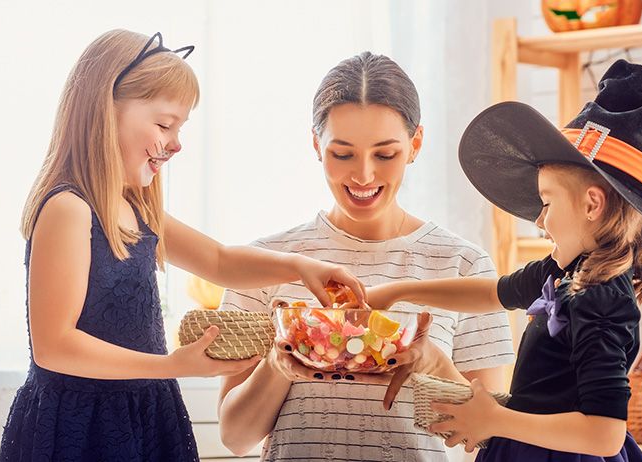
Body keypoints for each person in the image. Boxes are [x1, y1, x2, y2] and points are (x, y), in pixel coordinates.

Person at [0, 30, 366, 462]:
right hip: (79, 427)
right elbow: (54, 346)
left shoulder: (136, 208)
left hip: (143, 412)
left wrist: (300, 266)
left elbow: (219, 260)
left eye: (180, 127)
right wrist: (173, 366)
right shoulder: (69, 208)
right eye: (163, 124)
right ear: (103, 111)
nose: (176, 143)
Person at [365, 59, 642, 460]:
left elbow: (605, 435)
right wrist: (395, 291)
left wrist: (497, 420)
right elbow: (492, 293)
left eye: (547, 203)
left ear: (592, 204)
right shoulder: (568, 270)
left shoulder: (603, 298)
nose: (540, 219)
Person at [216, 51, 515, 462]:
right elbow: (234, 436)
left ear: (415, 145)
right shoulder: (265, 262)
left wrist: (430, 362)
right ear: (316, 145)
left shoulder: (464, 266)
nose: (363, 176)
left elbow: (490, 438)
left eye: (385, 154)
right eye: (342, 154)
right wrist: (280, 362)